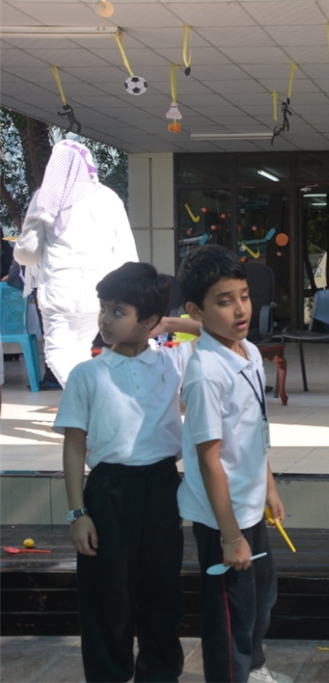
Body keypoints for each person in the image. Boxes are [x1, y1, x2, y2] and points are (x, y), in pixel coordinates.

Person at [54, 262, 200, 682]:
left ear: (150, 320)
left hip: (161, 488)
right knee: (107, 598)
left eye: (118, 311)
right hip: (108, 492)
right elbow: (74, 445)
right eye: (104, 308)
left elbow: (218, 331)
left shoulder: (172, 363)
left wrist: (166, 321)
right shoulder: (88, 374)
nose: (104, 319)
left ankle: (160, 674)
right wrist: (77, 513)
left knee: (161, 594)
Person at [175, 245, 291, 683]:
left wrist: (269, 487)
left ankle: (254, 667)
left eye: (244, 296)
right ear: (196, 310)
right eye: (224, 301)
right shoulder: (206, 372)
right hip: (222, 518)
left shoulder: (248, 353)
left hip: (249, 503)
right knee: (230, 612)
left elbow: (255, 429)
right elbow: (209, 459)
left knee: (261, 598)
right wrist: (230, 536)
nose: (241, 309)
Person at [13, 140, 138, 387]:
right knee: (81, 349)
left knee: (57, 352)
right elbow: (126, 251)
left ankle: (91, 397)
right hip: (100, 291)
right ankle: (90, 399)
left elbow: (27, 253)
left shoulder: (47, 197)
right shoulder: (108, 198)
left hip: (59, 289)